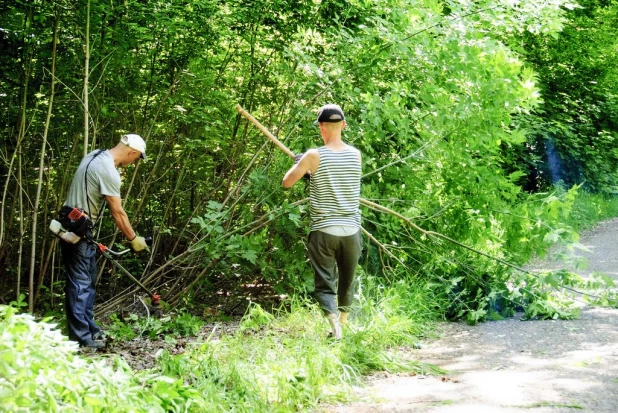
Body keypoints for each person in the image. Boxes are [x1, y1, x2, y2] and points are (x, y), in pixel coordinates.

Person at [59, 134, 149, 349]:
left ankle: (90, 330)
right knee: (80, 285)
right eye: (136, 159)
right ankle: (81, 339)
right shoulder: (109, 171)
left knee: (87, 281)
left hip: (75, 226)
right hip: (76, 232)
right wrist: (133, 239)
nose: (133, 163)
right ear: (132, 152)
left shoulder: (94, 155)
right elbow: (117, 212)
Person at [282, 104, 363, 340]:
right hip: (351, 231)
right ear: (344, 126)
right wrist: (309, 172)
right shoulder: (356, 154)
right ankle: (343, 327)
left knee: (325, 284)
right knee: (346, 283)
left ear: (321, 127)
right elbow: (339, 179)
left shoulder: (313, 155)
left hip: (324, 232)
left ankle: (335, 330)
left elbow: (287, 182)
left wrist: (301, 165)